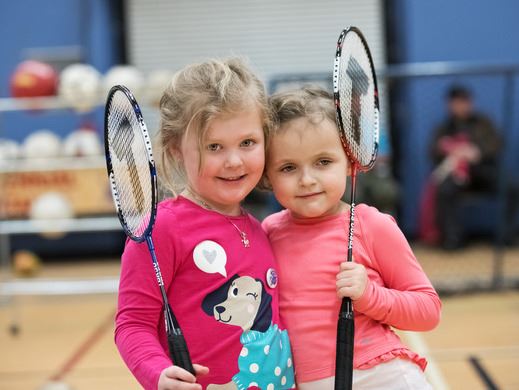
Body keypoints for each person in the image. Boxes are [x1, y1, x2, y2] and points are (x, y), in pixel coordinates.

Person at [115, 57, 295, 390]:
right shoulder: (163, 228)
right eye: (213, 147)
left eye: (247, 143)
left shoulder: (258, 228)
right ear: (175, 149)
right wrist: (158, 374)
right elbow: (133, 324)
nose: (234, 160)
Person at [261, 86, 441, 389]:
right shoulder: (267, 232)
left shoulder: (372, 225)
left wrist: (369, 296)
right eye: (288, 167)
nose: (307, 180)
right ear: (266, 176)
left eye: (323, 162)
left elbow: (428, 311)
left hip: (381, 375)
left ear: (350, 160)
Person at [427, 84, 518, 249]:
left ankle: (507, 237)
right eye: (457, 102)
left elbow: (497, 144)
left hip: (483, 171)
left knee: (511, 186)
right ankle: (452, 239)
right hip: (457, 176)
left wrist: (477, 152)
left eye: (465, 102)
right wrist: (449, 151)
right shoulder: (443, 128)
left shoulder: (483, 122)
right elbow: (432, 152)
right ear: (450, 104)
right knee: (444, 191)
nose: (461, 106)